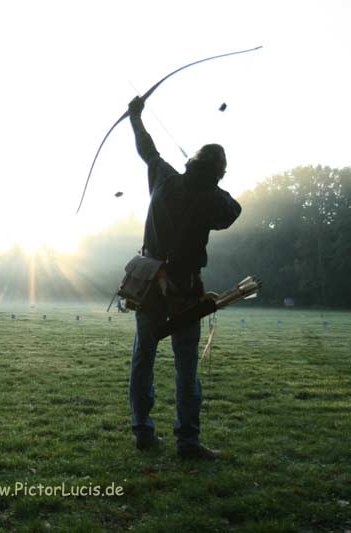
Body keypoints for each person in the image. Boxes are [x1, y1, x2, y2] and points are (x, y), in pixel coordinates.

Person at [127, 95, 241, 460]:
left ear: (191, 163)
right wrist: (214, 183)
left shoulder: (164, 178)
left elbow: (147, 149)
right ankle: (187, 442)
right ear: (217, 173)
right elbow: (233, 209)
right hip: (185, 289)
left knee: (144, 357)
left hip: (148, 285)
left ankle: (143, 431)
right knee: (186, 366)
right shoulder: (212, 199)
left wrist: (136, 117)